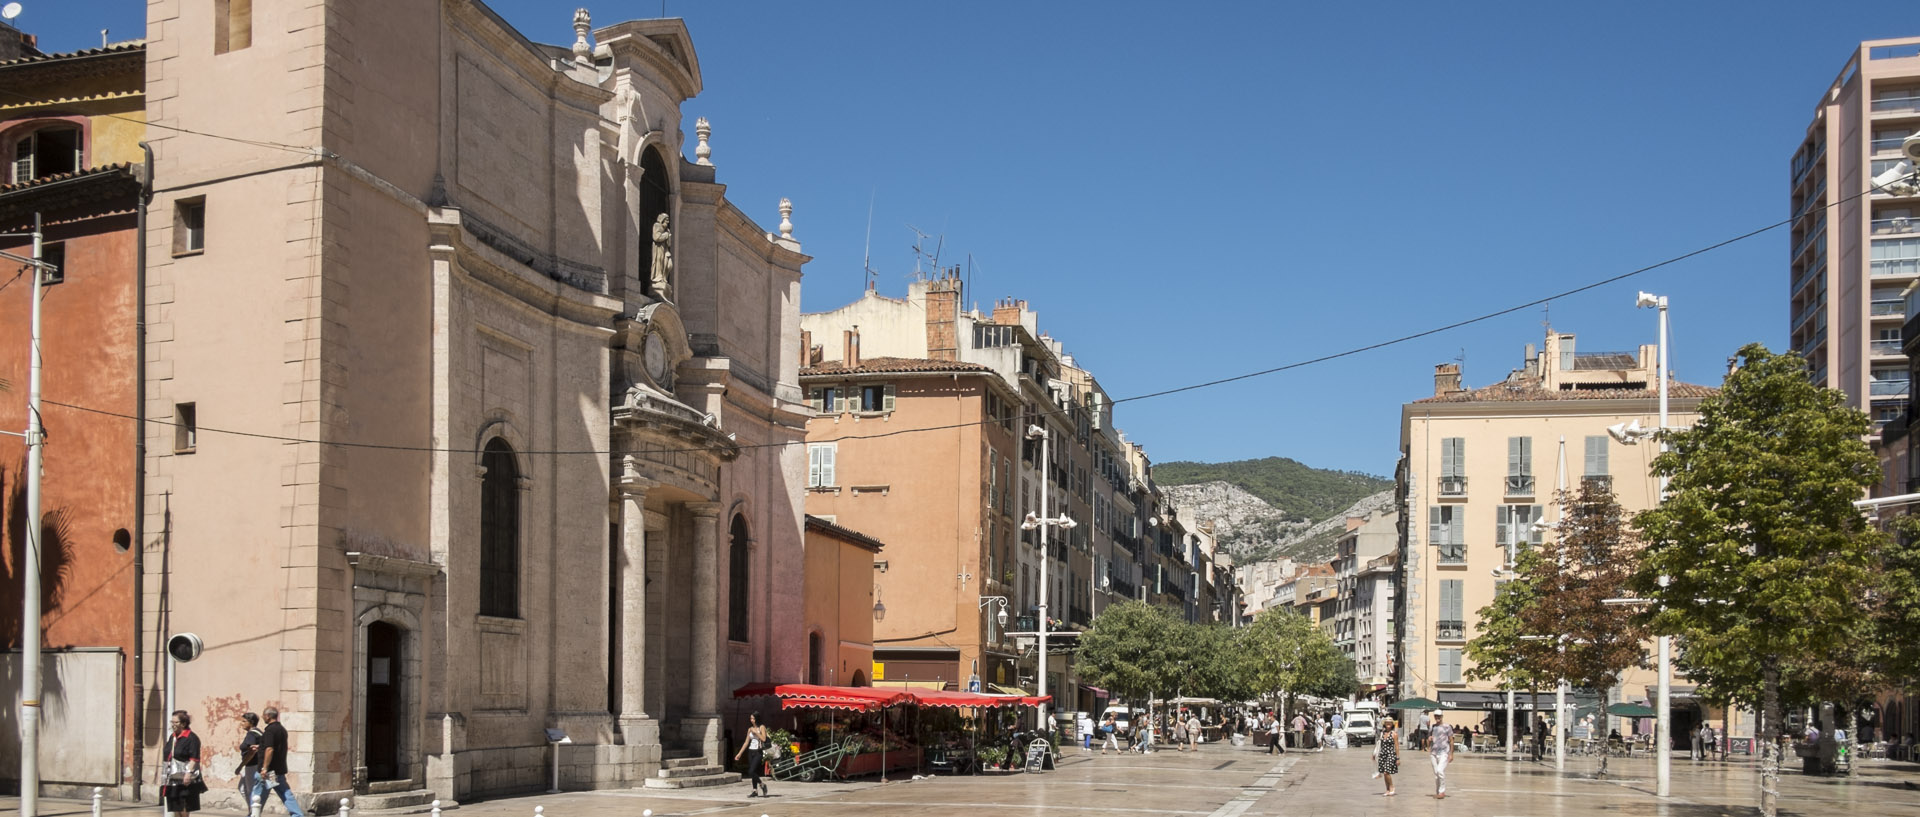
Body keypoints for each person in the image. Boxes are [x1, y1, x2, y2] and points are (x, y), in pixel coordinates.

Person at [258, 707, 306, 817]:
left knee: (258, 794)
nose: (262, 717)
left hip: (269, 771)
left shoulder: (270, 731)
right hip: (278, 769)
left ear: (268, 716)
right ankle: (298, 815)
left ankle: (253, 814)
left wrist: (264, 768)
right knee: (284, 793)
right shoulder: (281, 729)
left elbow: (270, 749)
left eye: (263, 715)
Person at [162, 710, 204, 817]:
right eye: (172, 722)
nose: (173, 725)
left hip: (185, 777)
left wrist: (188, 774)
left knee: (184, 804)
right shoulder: (173, 736)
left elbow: (194, 758)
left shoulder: (191, 738)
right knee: (175, 805)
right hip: (172, 777)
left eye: (176, 723)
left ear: (183, 724)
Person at [733, 712, 771, 797]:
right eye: (750, 718)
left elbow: (764, 739)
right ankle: (755, 790)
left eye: (753, 718)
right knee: (754, 771)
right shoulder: (750, 729)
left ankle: (762, 784)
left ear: (756, 719)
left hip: (758, 751)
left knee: (751, 771)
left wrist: (756, 732)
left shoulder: (762, 727)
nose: (751, 720)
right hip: (751, 751)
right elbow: (746, 742)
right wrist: (739, 753)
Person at [236, 713, 265, 807]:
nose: (242, 723)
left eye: (244, 721)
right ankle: (252, 811)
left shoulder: (252, 734)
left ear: (251, 722)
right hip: (255, 765)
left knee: (250, 790)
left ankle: (253, 812)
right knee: (243, 788)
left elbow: (251, 752)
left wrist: (240, 767)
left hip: (252, 766)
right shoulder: (258, 732)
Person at [1425, 712, 1455, 800]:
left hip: (1444, 752)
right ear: (1434, 717)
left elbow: (1451, 740)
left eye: (1439, 716)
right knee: (1436, 774)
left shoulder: (1447, 727)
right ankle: (1438, 792)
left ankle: (1442, 791)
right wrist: (1429, 740)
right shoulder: (1432, 727)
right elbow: (1428, 740)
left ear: (1442, 716)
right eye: (1436, 716)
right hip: (1434, 752)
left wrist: (1451, 754)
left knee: (1440, 771)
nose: (1437, 717)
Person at [1375, 717, 1400, 796]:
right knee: (1384, 773)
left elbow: (1396, 746)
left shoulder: (1394, 734)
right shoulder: (1382, 733)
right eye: (1386, 722)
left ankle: (1392, 786)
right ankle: (1387, 789)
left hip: (1391, 754)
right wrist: (1375, 754)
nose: (1388, 724)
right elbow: (1379, 745)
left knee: (1386, 772)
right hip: (1383, 754)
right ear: (1384, 724)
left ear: (1392, 724)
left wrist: (1398, 758)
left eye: (1389, 722)